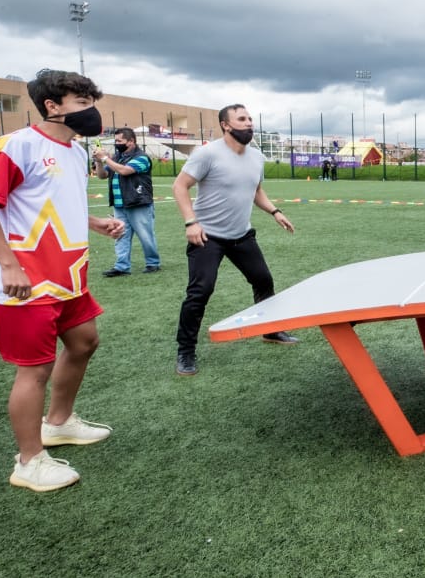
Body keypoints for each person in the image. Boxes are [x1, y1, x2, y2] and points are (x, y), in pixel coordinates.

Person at [0, 69, 125, 492]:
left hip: (68, 275)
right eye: (81, 102)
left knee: (84, 342)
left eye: (92, 101)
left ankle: (57, 424)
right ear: (52, 106)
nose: (92, 112)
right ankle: (29, 460)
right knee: (33, 370)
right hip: (25, 281)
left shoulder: (74, 151)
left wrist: (94, 223)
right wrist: (8, 264)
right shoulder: (15, 146)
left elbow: (54, 204)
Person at [172, 103, 298, 377]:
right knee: (200, 291)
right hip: (207, 236)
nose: (249, 123)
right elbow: (179, 186)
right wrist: (191, 222)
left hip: (241, 234)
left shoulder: (256, 157)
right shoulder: (207, 154)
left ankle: (270, 330)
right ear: (226, 125)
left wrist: (275, 211)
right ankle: (185, 351)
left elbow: (256, 191)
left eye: (250, 119)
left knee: (263, 281)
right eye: (242, 119)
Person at [93, 127, 161, 277]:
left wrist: (105, 158)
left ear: (131, 141)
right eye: (115, 141)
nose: (117, 144)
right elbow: (102, 175)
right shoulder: (117, 158)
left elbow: (124, 171)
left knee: (145, 235)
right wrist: (98, 162)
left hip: (138, 201)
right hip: (119, 203)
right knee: (120, 235)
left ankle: (153, 263)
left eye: (119, 141)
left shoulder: (142, 158)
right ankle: (122, 266)